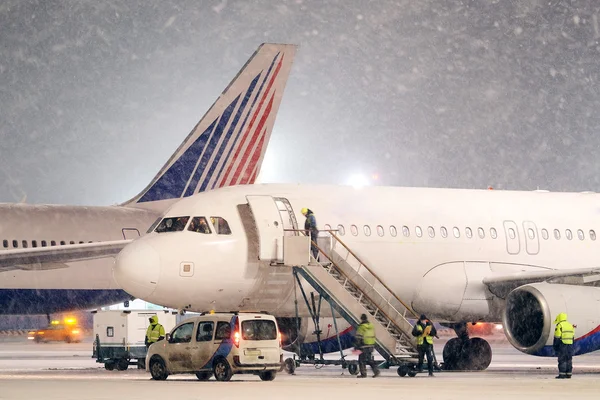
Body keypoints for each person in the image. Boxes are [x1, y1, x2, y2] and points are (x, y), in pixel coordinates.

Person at [354, 313, 380, 378]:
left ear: (362, 319)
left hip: (363, 346)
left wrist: (356, 346)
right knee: (369, 360)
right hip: (371, 345)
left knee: (361, 360)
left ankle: (363, 374)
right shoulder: (371, 326)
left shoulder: (361, 327)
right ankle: (376, 370)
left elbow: (358, 337)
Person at [553, 312, 575, 379]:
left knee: (562, 359)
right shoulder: (569, 325)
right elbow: (573, 336)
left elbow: (557, 336)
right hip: (570, 344)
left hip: (563, 343)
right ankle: (569, 373)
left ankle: (562, 374)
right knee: (568, 359)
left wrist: (555, 345)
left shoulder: (559, 325)